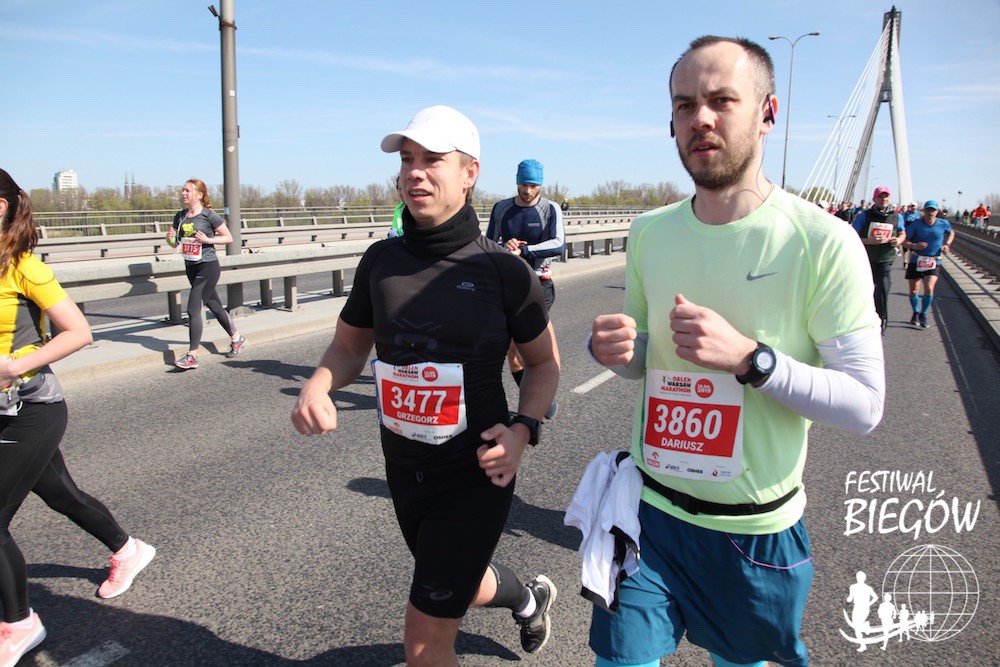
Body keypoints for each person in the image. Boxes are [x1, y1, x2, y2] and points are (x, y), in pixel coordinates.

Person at [587, 36, 884, 667]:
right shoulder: (650, 232)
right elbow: (644, 360)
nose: (701, 118)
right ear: (671, 122)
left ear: (767, 113)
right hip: (647, 514)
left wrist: (752, 359)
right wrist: (614, 352)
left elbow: (865, 405)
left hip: (752, 531)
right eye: (684, 104)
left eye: (722, 100)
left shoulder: (824, 242)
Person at [291, 105, 560, 666]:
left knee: (423, 642)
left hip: (476, 473)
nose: (414, 171)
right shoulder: (380, 262)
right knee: (457, 579)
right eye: (407, 159)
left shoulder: (505, 272)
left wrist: (523, 430)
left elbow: (543, 364)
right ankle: (527, 598)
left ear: (470, 173)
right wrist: (318, 386)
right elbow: (349, 347)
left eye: (433, 159)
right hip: (404, 469)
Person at [0, 168, 156, 667]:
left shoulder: (23, 267)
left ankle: (18, 623)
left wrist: (14, 366)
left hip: (31, 408)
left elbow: (79, 332)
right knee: (60, 493)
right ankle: (127, 549)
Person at [486, 159, 565, 420]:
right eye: (523, 185)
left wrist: (526, 250)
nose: (528, 191)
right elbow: (488, 243)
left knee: (528, 347)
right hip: (508, 284)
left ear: (540, 185)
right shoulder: (502, 208)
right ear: (517, 182)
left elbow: (559, 244)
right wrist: (505, 246)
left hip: (538, 284)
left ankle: (537, 404)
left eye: (533, 186)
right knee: (513, 352)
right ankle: (539, 402)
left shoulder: (550, 208)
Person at [165, 179, 246, 369]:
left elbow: (229, 238)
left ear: (199, 194)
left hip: (208, 267)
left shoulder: (209, 216)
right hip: (191, 266)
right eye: (183, 190)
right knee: (215, 306)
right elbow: (176, 244)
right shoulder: (180, 216)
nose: (183, 193)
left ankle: (192, 355)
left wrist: (208, 240)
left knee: (193, 309)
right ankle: (237, 338)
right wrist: (170, 240)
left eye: (188, 190)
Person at [852, 186, 906, 335]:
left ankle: (882, 319)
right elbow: (852, 235)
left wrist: (898, 240)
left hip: (886, 258)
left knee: (883, 287)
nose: (884, 199)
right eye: (880, 197)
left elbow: (902, 233)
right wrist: (869, 241)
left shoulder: (896, 216)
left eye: (886, 197)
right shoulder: (864, 216)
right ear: (874, 199)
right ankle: (863, 318)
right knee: (866, 289)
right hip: (867, 257)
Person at [903, 200, 954, 329]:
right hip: (916, 259)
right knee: (914, 290)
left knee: (929, 288)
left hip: (933, 261)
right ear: (924, 211)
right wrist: (914, 245)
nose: (930, 213)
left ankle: (923, 314)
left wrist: (947, 244)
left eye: (933, 210)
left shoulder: (943, 224)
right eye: (928, 210)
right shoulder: (916, 225)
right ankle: (915, 312)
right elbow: (905, 241)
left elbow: (951, 233)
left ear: (937, 212)